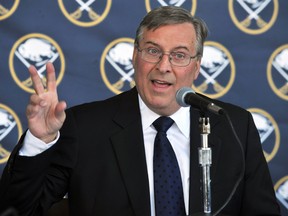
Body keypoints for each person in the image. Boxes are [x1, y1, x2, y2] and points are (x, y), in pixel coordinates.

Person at [0, 6, 281, 216]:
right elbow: (19, 209)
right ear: (135, 57)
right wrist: (39, 141)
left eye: (179, 55)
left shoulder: (233, 126)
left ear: (196, 67)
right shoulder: (84, 127)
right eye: (152, 51)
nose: (164, 66)